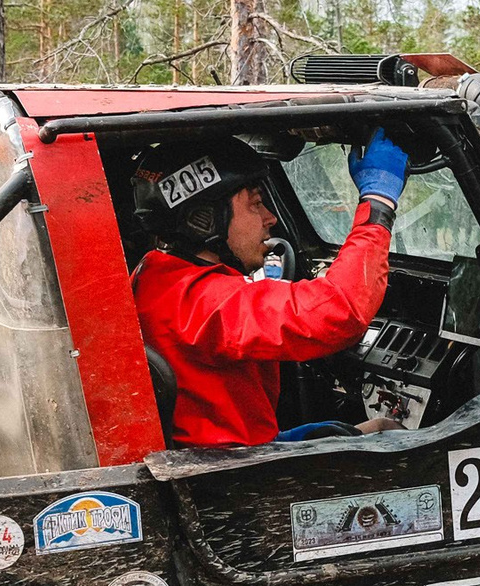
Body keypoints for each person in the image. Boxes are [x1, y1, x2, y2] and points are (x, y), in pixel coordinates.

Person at [132, 131, 409, 448]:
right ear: (204, 219)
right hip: (232, 482)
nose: (270, 217)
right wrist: (379, 202)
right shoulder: (207, 301)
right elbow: (340, 310)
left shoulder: (153, 275)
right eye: (255, 204)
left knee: (381, 427)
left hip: (222, 459)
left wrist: (286, 441)